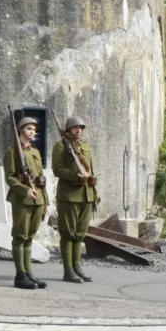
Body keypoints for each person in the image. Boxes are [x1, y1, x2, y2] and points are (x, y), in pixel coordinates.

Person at [3, 116, 49, 289]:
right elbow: (10, 178)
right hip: (22, 200)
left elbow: (41, 178)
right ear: (21, 130)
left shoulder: (34, 151)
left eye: (34, 129)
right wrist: (25, 190)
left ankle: (29, 273)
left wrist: (46, 201)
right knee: (20, 237)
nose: (32, 132)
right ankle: (20, 275)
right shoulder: (12, 152)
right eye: (29, 128)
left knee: (29, 237)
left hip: (38, 199)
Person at [52, 116, 96, 283]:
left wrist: (93, 186)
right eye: (76, 127)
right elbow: (57, 170)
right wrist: (75, 176)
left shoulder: (84, 146)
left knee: (79, 234)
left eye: (81, 128)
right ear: (69, 129)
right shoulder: (61, 146)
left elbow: (90, 168)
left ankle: (77, 267)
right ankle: (68, 270)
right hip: (69, 196)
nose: (79, 130)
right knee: (68, 233)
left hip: (87, 195)